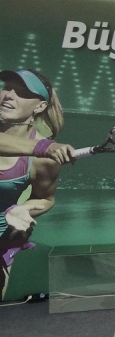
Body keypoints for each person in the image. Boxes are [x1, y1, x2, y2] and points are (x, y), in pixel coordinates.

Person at [0, 69, 75, 299]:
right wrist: (44, 148)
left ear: (40, 107)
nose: (8, 95)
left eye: (22, 92)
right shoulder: (45, 150)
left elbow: (45, 198)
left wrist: (23, 210)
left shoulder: (44, 160)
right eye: (7, 87)